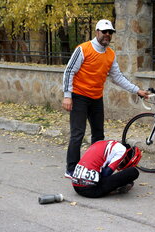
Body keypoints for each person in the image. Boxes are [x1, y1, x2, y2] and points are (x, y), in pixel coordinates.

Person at [62, 19, 149, 178]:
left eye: (110, 32)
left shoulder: (110, 54)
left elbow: (118, 77)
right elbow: (69, 72)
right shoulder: (83, 49)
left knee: (98, 135)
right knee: (78, 134)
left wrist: (137, 90)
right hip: (79, 96)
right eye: (104, 32)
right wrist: (67, 96)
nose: (107, 35)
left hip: (96, 98)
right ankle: (71, 169)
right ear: (97, 32)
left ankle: (93, 165)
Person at [71, 140, 141, 198]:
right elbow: (105, 174)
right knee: (133, 172)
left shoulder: (101, 143)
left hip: (75, 186)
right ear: (127, 157)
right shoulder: (122, 150)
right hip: (91, 190)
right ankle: (115, 190)